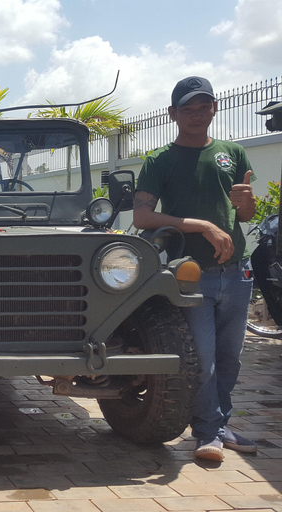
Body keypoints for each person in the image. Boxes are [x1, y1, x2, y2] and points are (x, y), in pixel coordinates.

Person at [133, 76, 257, 462]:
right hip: (189, 274)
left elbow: (246, 214)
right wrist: (201, 225)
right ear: (173, 114)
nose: (197, 114)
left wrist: (247, 201)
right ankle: (206, 432)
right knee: (202, 358)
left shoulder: (232, 153)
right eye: (188, 108)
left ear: (215, 108)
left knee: (230, 357)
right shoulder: (160, 160)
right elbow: (142, 215)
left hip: (236, 272)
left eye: (204, 106)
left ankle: (218, 425)